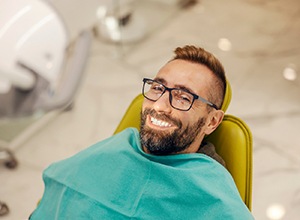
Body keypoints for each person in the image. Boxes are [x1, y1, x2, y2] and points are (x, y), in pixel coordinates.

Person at [30, 45, 254, 219]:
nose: (159, 106)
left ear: (212, 122)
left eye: (183, 97)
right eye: (157, 88)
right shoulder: (118, 148)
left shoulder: (213, 194)